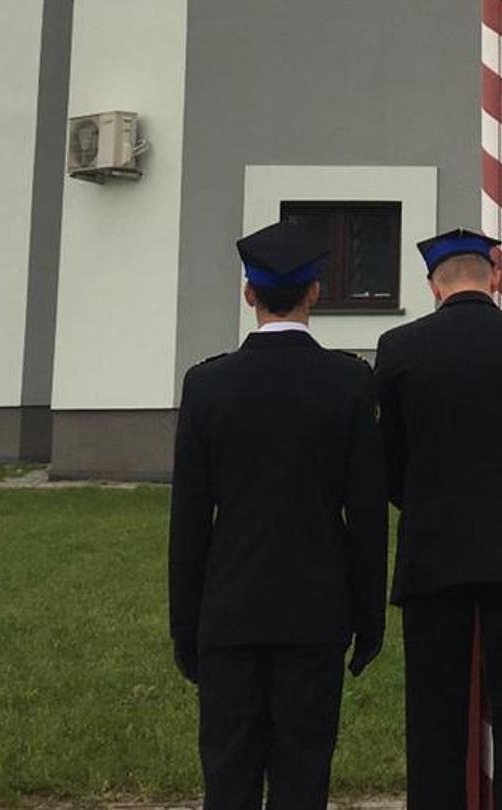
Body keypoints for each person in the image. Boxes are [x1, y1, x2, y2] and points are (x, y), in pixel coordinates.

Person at [167, 220, 387, 810]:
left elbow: (188, 520)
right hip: (316, 614)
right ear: (316, 292)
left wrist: (185, 627)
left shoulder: (207, 385)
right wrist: (370, 622)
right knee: (303, 774)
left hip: (229, 610)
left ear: (249, 295)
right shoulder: (348, 382)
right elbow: (366, 514)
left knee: (229, 776)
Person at [375, 227, 502, 809]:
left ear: (431, 286)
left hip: (432, 550)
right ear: (494, 277)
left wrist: (418, 504)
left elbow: (388, 458)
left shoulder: (398, 347)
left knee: (434, 709)